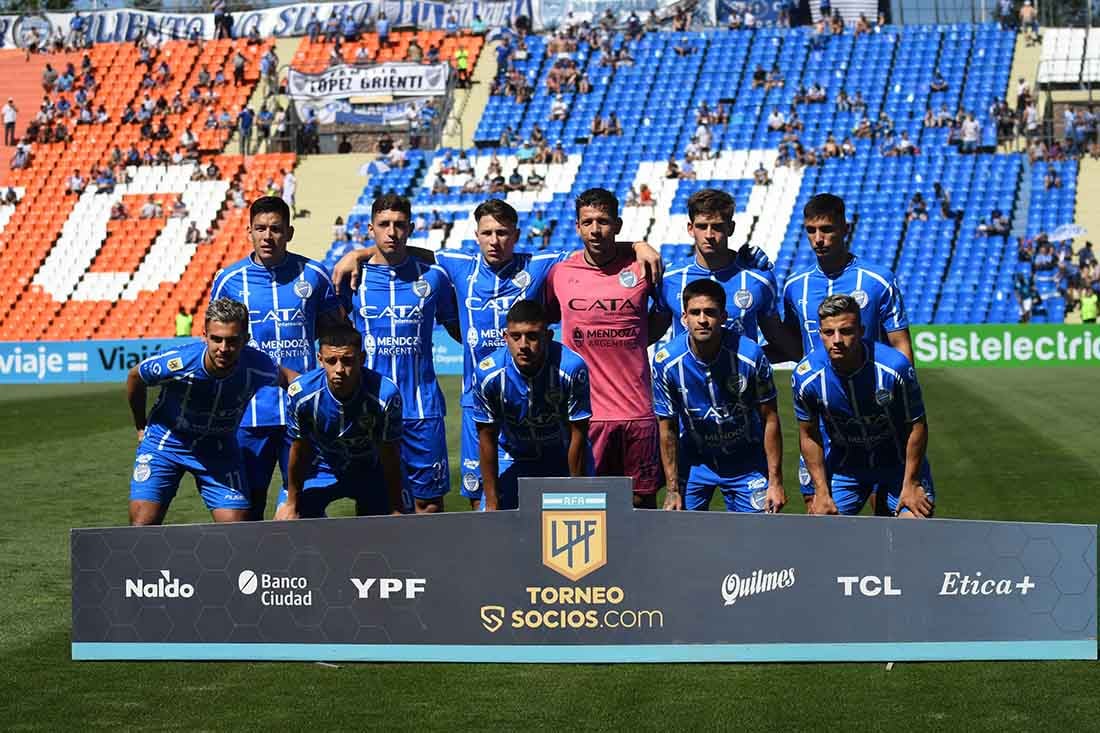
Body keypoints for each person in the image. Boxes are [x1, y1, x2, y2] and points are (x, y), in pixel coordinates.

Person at [331, 199, 662, 510]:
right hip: (477, 404)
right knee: (484, 502)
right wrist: (359, 254)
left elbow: (595, 244)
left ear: (516, 235)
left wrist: (637, 246)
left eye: (503, 233)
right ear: (476, 235)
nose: (495, 241)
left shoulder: (541, 264)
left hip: (533, 404)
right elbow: (400, 248)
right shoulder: (457, 265)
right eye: (487, 233)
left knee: (556, 495)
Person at [209, 196, 347, 521]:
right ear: (249, 231)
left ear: (289, 232)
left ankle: (304, 570)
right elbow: (216, 348)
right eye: (260, 228)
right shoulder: (229, 281)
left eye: (275, 229)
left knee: (305, 504)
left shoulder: (314, 275)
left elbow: (337, 336)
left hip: (302, 413)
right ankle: (251, 571)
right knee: (246, 507)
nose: (267, 236)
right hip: (248, 414)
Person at [781, 194, 913, 510]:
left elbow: (901, 345)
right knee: (820, 512)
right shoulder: (794, 287)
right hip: (821, 421)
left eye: (826, 229)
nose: (818, 239)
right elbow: (792, 346)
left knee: (885, 512)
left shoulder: (878, 280)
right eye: (811, 230)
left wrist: (901, 404)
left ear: (845, 228)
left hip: (873, 417)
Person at [544, 188, 672, 508]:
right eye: (588, 222)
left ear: (617, 223)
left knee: (642, 503)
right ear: (577, 226)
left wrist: (636, 339)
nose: (595, 229)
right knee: (588, 506)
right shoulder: (560, 273)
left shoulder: (642, 268)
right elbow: (543, 320)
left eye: (603, 221)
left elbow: (663, 315)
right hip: (585, 414)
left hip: (638, 410)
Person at [125, 298, 295, 526]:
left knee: (237, 530)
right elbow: (136, 376)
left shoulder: (258, 365)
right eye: (216, 339)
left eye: (233, 341)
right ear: (204, 335)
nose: (224, 349)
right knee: (141, 527)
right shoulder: (179, 362)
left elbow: (289, 378)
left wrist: (318, 397)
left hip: (219, 449)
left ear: (246, 339)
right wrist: (140, 426)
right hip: (166, 444)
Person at [344, 194, 459, 513]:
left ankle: (429, 564)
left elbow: (459, 331)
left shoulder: (434, 276)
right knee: (373, 504)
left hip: (422, 409)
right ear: (371, 229)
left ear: (410, 228)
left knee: (429, 505)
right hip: (369, 410)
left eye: (399, 225)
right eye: (384, 225)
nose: (392, 232)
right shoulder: (352, 279)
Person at [793, 295, 934, 518]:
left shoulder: (894, 367)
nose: (837, 340)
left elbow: (916, 425)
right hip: (845, 468)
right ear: (820, 334)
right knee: (821, 528)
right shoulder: (806, 376)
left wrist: (911, 482)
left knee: (913, 525)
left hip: (897, 465)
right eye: (829, 332)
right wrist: (821, 491)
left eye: (846, 331)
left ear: (861, 330)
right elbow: (808, 434)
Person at [653, 279, 784, 513]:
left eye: (710, 312)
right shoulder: (666, 362)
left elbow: (770, 418)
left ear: (724, 317)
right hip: (695, 461)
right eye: (695, 312)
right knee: (685, 535)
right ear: (684, 317)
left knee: (758, 537)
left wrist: (775, 482)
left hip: (746, 460)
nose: (702, 320)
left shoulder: (750, 355)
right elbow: (667, 428)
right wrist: (672, 489)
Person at [472, 300, 592, 511]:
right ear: (505, 337)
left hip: (562, 456)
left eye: (533, 336)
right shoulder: (487, 375)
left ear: (548, 336)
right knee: (494, 532)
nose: (523, 345)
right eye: (516, 337)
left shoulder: (572, 368)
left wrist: (578, 494)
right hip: (512, 456)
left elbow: (578, 436)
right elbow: (486, 439)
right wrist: (492, 502)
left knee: (579, 529)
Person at [274, 326, 404, 519]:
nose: (339, 370)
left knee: (394, 529)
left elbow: (389, 451)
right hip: (321, 469)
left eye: (347, 360)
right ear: (320, 359)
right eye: (331, 361)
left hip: (370, 468)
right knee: (285, 519)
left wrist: (396, 507)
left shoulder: (385, 394)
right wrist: (291, 503)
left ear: (361, 358)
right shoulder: (302, 394)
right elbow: (300, 450)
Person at [658, 189, 797, 362]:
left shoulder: (758, 278)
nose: (709, 235)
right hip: (688, 387)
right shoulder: (669, 279)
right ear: (690, 228)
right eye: (702, 226)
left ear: (730, 228)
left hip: (741, 386)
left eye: (717, 227)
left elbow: (778, 339)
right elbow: (648, 334)